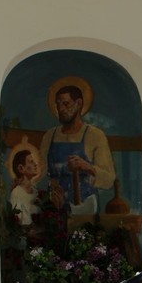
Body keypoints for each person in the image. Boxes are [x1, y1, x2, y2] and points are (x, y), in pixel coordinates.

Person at [39, 82, 117, 216]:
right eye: (58, 104)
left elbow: (109, 179)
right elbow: (39, 172)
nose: (61, 109)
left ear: (79, 103)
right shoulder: (49, 136)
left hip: (85, 210)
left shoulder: (95, 135)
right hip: (54, 210)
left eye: (66, 104)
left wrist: (87, 167)